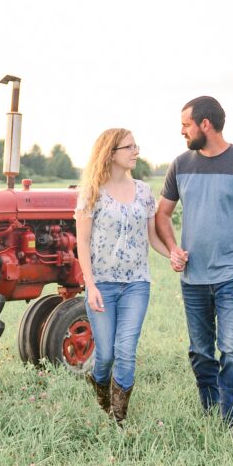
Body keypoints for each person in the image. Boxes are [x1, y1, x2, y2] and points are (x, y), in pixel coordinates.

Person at [155, 96, 233, 431]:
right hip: (193, 279)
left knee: (232, 351)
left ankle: (230, 423)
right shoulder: (180, 164)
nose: (181, 131)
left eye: (186, 125)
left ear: (205, 124)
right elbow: (163, 214)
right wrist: (173, 248)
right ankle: (210, 410)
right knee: (201, 353)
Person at [75, 128, 170, 427]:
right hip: (102, 283)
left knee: (126, 350)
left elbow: (152, 237)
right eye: (129, 147)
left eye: (135, 145)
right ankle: (100, 384)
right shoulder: (92, 192)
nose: (136, 151)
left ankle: (119, 419)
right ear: (111, 154)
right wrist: (90, 286)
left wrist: (173, 254)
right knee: (104, 355)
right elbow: (83, 243)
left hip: (136, 283)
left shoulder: (143, 191)